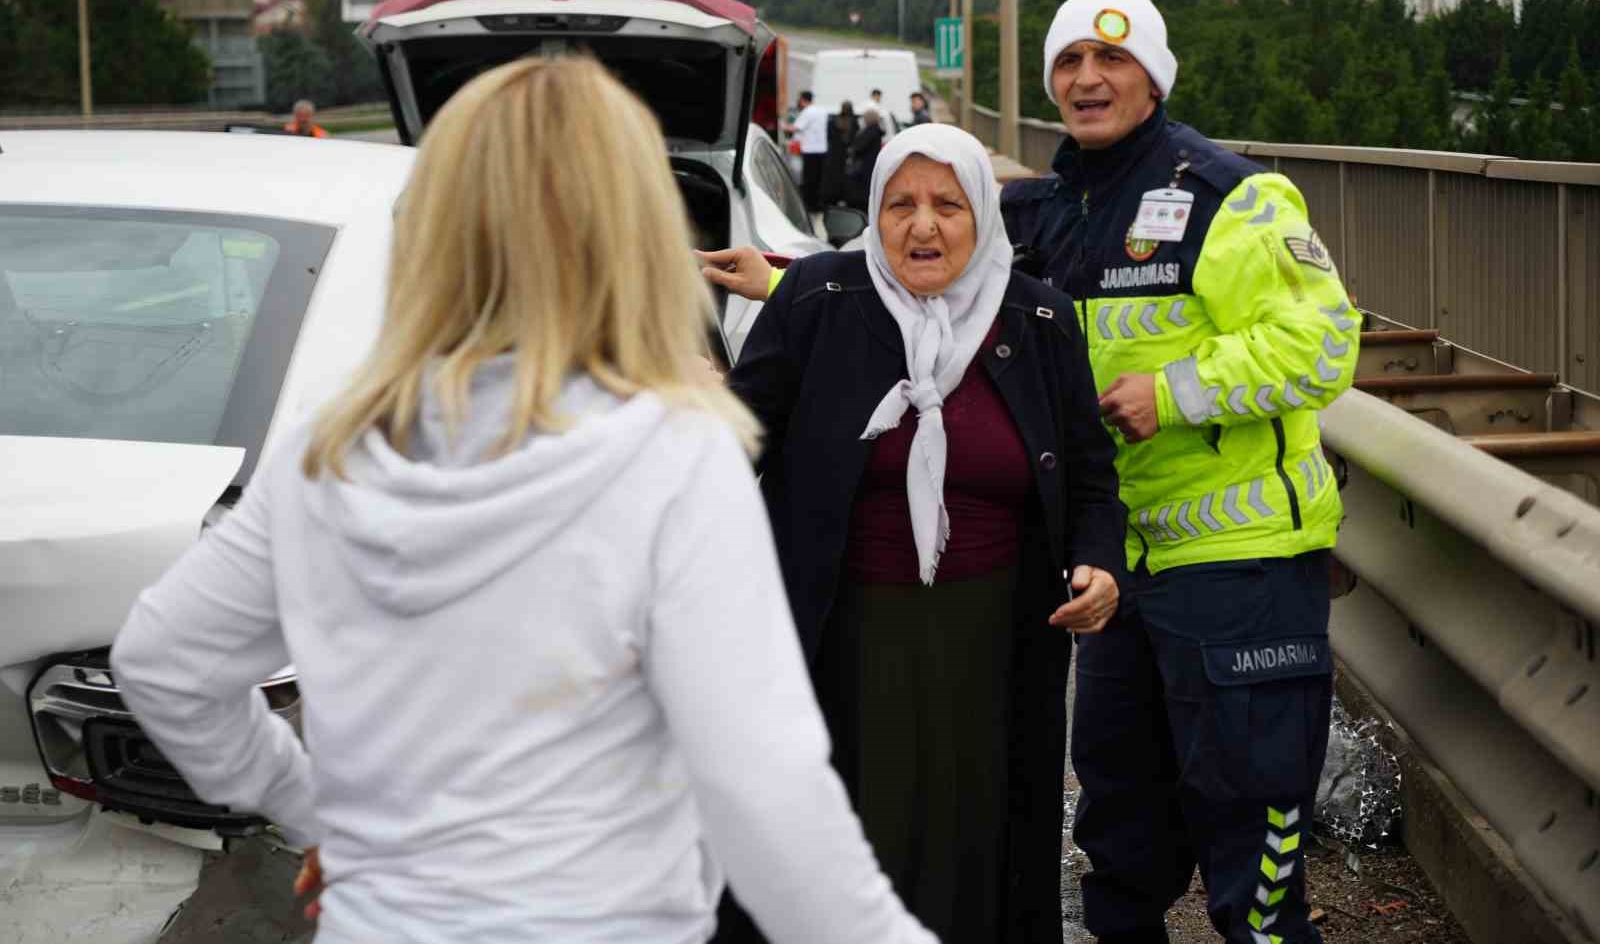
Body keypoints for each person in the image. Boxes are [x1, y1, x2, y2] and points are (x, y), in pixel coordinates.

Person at [109, 56, 937, 944]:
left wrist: (311, 811)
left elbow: (165, 664)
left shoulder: (331, 445)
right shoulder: (671, 451)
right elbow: (768, 793)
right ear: (630, 227)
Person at [698, 123, 1127, 943]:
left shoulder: (1040, 319)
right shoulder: (820, 300)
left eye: (947, 204)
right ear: (872, 212)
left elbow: (1090, 476)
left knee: (981, 836)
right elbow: (733, 440)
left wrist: (1099, 564)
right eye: (900, 204)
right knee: (850, 831)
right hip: (843, 631)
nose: (922, 225)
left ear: (983, 219)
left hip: (995, 638)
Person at [1000, 0, 1361, 944]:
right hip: (1120, 570)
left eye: (1111, 59)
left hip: (1240, 569)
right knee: (1120, 848)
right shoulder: (1037, 213)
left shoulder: (1229, 196)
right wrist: (783, 282)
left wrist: (1178, 390)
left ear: (1154, 78)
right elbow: (921, 283)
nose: (1087, 78)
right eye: (1070, 61)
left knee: (1254, 868)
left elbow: (1325, 345)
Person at [787, 90, 829, 214]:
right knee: (818, 180)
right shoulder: (821, 111)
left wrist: (781, 126)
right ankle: (818, 205)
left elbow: (795, 128)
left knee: (809, 180)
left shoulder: (807, 112)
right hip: (822, 149)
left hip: (810, 150)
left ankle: (809, 206)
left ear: (803, 100)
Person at [844, 108, 885, 210]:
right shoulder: (876, 130)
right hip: (869, 165)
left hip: (863, 167)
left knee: (861, 192)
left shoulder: (870, 131)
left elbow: (858, 147)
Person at [822, 101, 859, 208]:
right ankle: (844, 198)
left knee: (833, 178)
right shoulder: (854, 122)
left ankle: (832, 199)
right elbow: (854, 139)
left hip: (834, 155)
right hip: (846, 155)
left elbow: (829, 137)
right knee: (845, 178)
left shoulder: (833, 121)